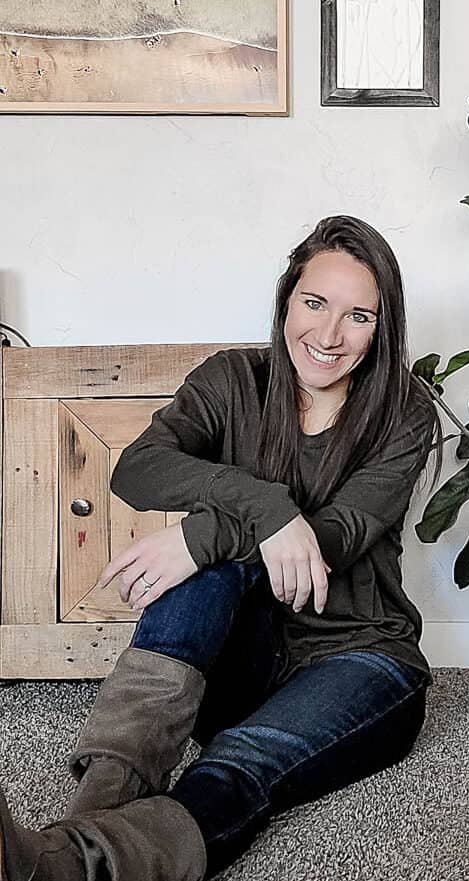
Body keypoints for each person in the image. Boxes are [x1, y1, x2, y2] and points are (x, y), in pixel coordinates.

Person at [0, 215, 443, 881]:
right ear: (286, 298)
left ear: (381, 328)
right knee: (207, 573)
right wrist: (263, 510)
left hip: (361, 658)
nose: (327, 336)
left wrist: (203, 533)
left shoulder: (403, 411)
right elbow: (138, 468)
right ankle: (90, 814)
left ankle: (75, 865)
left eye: (358, 316)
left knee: (239, 760)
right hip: (242, 661)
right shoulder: (233, 379)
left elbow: (338, 538)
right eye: (314, 303)